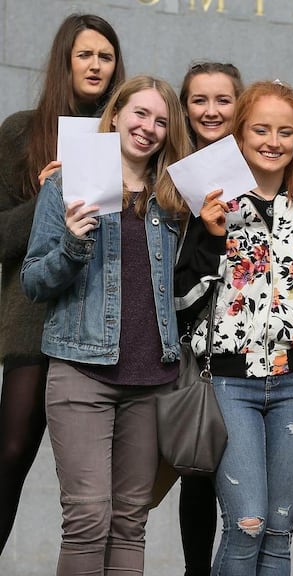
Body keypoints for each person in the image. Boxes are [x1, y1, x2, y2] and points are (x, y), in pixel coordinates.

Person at [21, 74, 192, 575]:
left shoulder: (174, 198)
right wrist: (74, 243)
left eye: (162, 121)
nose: (149, 128)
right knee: (88, 519)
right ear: (114, 114)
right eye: (139, 114)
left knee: (129, 523)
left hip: (151, 380)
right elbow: (33, 281)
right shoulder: (68, 182)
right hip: (81, 372)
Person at [174, 80, 293, 576]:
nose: (273, 141)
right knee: (246, 523)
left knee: (278, 528)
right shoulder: (210, 209)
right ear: (240, 136)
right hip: (229, 383)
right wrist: (210, 239)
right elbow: (181, 301)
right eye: (261, 130)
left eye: (285, 132)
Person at [0, 13, 124, 553]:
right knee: (10, 453)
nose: (96, 65)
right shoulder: (21, 131)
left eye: (106, 56)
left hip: (104, 321)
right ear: (64, 62)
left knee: (99, 488)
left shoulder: (131, 132)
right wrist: (46, 200)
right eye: (86, 55)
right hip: (33, 321)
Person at [175, 60, 244, 576]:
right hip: (192, 345)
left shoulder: (262, 161)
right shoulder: (170, 171)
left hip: (252, 342)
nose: (212, 110)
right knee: (197, 472)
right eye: (200, 100)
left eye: (223, 100)